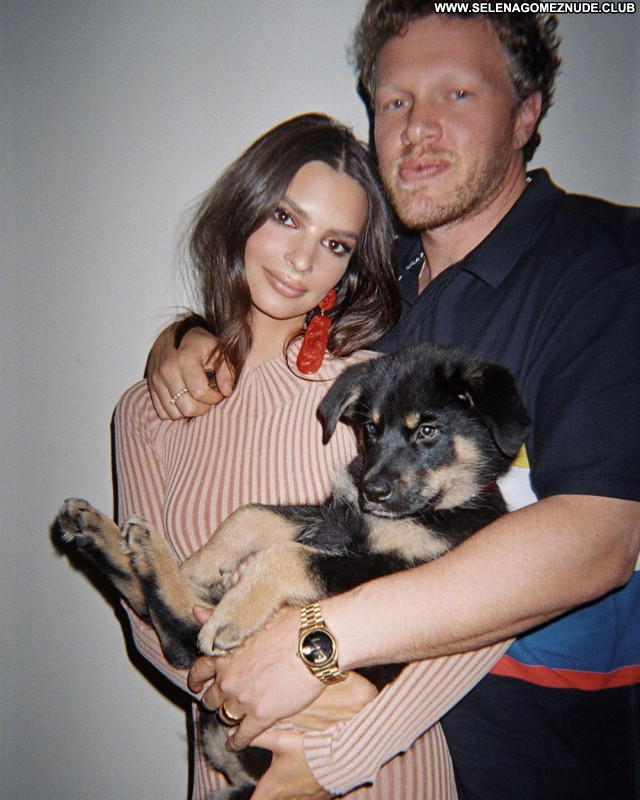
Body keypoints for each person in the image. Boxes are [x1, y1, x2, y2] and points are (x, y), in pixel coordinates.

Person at [149, 7, 640, 800]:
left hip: (540, 762)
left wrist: (317, 642)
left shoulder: (609, 265)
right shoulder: (371, 282)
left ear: (526, 114)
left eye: (457, 94)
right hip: (362, 754)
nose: (417, 128)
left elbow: (600, 536)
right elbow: (265, 327)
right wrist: (185, 337)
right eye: (395, 101)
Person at [115, 112, 510, 800]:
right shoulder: (147, 411)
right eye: (285, 218)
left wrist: (349, 734)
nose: (302, 260)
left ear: (350, 266)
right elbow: (149, 610)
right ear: (240, 211)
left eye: (334, 243)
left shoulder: (373, 392)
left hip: (382, 773)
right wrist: (234, 685)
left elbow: (490, 593)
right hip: (234, 766)